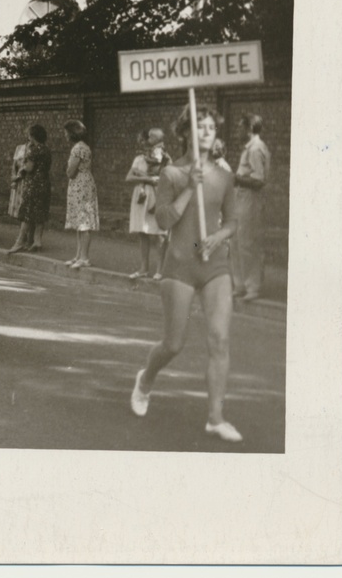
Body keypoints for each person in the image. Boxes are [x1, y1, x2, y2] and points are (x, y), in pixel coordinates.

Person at [131, 104, 242, 442]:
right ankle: (145, 379)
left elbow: (234, 221)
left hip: (214, 265)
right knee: (174, 343)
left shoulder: (224, 176)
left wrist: (219, 236)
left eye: (212, 127)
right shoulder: (172, 174)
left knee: (220, 339)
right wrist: (190, 188)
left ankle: (215, 417)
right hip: (179, 265)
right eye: (201, 126)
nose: (208, 132)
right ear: (186, 133)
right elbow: (163, 220)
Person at [232, 113, 270, 302]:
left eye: (240, 128)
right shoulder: (249, 149)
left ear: (249, 129)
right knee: (237, 242)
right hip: (242, 200)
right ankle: (240, 285)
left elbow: (259, 180)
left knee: (248, 243)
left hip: (251, 201)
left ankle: (253, 286)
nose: (238, 131)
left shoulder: (255, 149)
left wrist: (235, 178)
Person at [125, 128, 171, 280]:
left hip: (158, 196)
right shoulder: (139, 158)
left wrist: (145, 176)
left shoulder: (165, 159)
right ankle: (144, 268)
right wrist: (147, 179)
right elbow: (129, 178)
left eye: (150, 137)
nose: (146, 140)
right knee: (143, 232)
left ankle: (160, 270)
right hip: (142, 195)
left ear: (158, 140)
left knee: (160, 234)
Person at [8, 124, 52, 253]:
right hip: (45, 183)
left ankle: (19, 242)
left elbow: (29, 168)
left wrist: (21, 171)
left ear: (32, 136)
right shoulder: (46, 150)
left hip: (33, 184)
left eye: (29, 135)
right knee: (40, 212)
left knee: (27, 212)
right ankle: (37, 241)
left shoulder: (33, 150)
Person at [63, 119, 99, 269]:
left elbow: (71, 172)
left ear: (72, 133)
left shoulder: (77, 149)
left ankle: (84, 257)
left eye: (66, 132)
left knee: (83, 222)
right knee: (81, 222)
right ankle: (79, 255)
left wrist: (67, 170)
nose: (65, 135)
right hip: (83, 184)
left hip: (80, 185)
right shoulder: (84, 147)